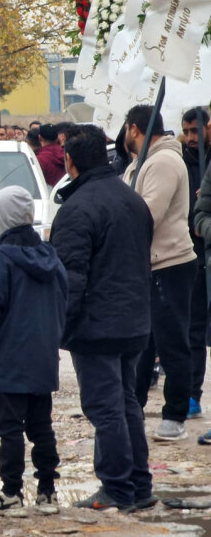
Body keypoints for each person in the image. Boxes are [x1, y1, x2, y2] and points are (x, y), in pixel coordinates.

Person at [51, 125, 154, 511]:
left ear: (69, 161)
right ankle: (138, 486)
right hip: (133, 320)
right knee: (126, 403)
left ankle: (118, 489)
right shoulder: (131, 198)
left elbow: (69, 279)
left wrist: (58, 327)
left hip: (98, 326)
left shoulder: (78, 208)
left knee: (106, 408)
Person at [0, 186, 65, 516]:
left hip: (7, 361)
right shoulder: (51, 257)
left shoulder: (1, 260)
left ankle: (11, 493)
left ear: (1, 217)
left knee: (10, 430)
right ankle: (48, 492)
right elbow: (63, 303)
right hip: (42, 357)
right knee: (42, 427)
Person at [123, 105, 196, 441]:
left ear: (135, 128)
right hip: (145, 265)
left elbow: (146, 213)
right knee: (141, 342)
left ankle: (175, 414)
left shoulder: (164, 162)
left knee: (172, 342)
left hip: (169, 263)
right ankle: (132, 406)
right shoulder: (142, 162)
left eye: (126, 130)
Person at [181, 108, 211, 420]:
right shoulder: (181, 161)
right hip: (194, 256)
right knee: (194, 329)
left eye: (195, 131)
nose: (190, 138)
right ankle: (192, 393)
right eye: (186, 131)